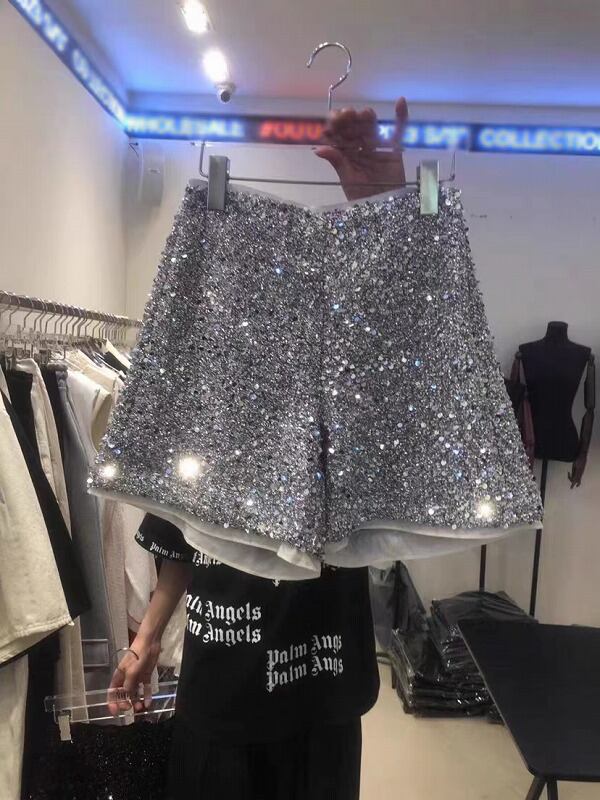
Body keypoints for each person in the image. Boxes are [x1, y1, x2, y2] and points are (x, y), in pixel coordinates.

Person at [109, 98, 409, 800]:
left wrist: (388, 212)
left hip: (320, 693)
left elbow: (406, 378)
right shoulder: (207, 401)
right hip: (219, 689)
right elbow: (177, 539)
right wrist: (147, 638)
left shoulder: (342, 399)